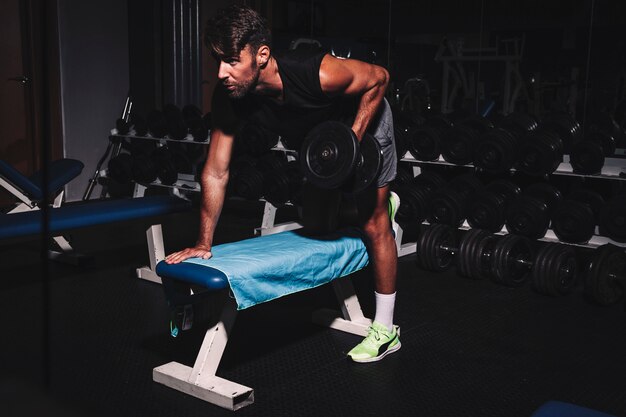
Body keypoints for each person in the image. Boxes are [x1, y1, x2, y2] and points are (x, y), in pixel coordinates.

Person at [165, 5, 400, 363]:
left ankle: (386, 330)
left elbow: (380, 77)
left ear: (261, 55)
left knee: (374, 222)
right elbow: (215, 171)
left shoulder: (318, 71)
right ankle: (362, 204)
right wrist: (203, 242)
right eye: (217, 61)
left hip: (365, 118)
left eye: (230, 61)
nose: (221, 73)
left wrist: (349, 146)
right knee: (319, 227)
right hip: (319, 140)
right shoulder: (230, 96)